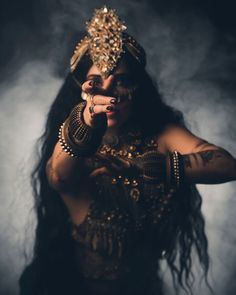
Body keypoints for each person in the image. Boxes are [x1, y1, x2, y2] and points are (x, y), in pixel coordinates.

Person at [19, 6, 236, 295]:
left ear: (137, 86)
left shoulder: (161, 134)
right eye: (96, 83)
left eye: (121, 80)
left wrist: (150, 168)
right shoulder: (76, 148)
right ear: (82, 90)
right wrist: (86, 121)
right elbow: (59, 176)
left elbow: (226, 164)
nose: (109, 93)